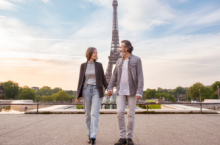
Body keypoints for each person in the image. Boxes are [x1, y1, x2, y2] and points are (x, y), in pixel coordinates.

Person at [108, 40, 144, 145]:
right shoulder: (119, 61)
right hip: (120, 90)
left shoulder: (137, 60)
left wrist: (139, 91)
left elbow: (140, 76)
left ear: (126, 48)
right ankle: (122, 137)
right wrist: (110, 87)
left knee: (131, 114)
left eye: (120, 47)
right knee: (120, 113)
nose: (119, 49)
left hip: (132, 91)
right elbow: (114, 76)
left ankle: (130, 137)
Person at [76, 47, 108, 145]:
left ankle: (93, 136)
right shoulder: (83, 66)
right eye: (94, 52)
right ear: (89, 53)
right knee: (87, 115)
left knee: (94, 113)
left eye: (96, 52)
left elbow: (103, 78)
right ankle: (89, 134)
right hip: (85, 90)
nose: (96, 54)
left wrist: (109, 88)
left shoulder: (99, 65)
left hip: (96, 90)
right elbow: (80, 80)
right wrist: (78, 94)